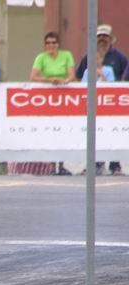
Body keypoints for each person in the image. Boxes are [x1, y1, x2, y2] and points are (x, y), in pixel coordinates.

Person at [75, 24, 127, 175]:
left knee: (113, 133)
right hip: (92, 105)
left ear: (111, 39)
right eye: (99, 36)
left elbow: (125, 75)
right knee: (94, 133)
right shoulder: (88, 56)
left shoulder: (119, 57)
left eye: (105, 36)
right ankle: (95, 164)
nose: (102, 39)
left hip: (113, 103)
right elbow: (79, 76)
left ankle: (115, 166)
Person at [30, 31, 75, 175]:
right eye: (48, 43)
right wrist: (49, 80)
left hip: (64, 96)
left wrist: (64, 81)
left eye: (54, 42)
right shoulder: (41, 57)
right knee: (49, 129)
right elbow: (33, 76)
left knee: (62, 129)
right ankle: (50, 165)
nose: (51, 45)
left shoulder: (66, 55)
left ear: (58, 44)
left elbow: (71, 75)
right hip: (47, 97)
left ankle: (61, 164)